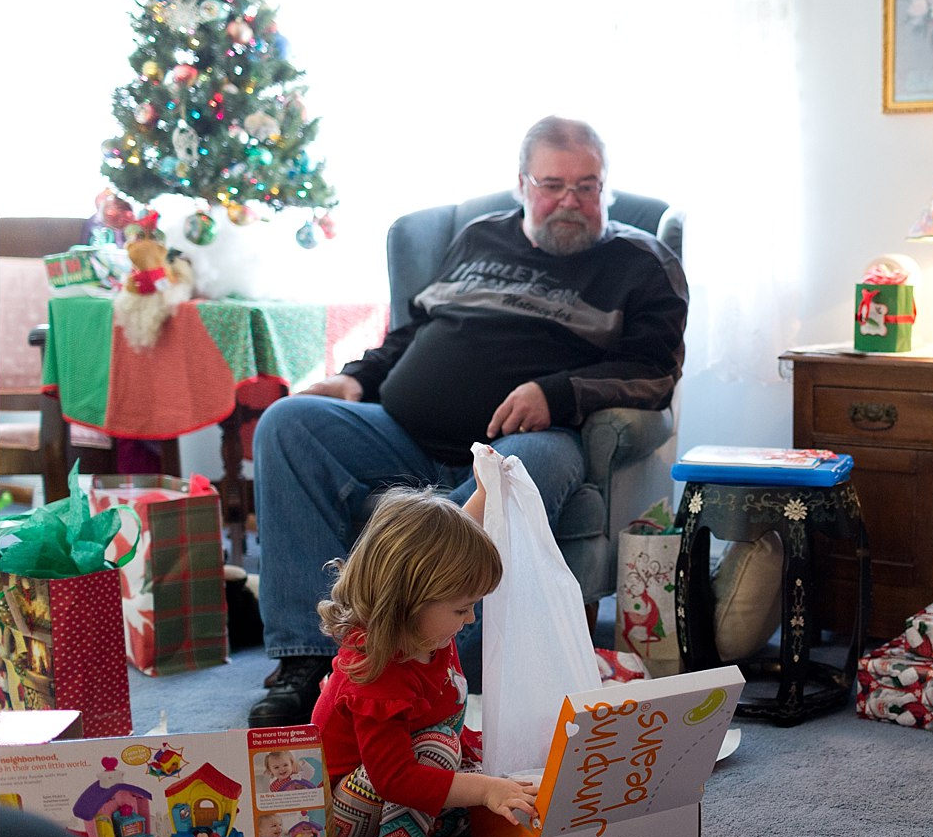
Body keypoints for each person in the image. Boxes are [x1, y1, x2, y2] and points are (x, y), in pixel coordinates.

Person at [249, 115, 688, 727]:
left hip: (530, 440)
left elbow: (656, 373)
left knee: (513, 471)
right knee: (288, 423)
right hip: (404, 434)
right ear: (522, 184)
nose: (571, 202)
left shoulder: (641, 262)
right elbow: (413, 330)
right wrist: (359, 377)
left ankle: (429, 668)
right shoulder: (481, 237)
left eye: (588, 186)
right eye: (553, 185)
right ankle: (309, 659)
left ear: (605, 187)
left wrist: (556, 393)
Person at [311, 484, 540, 837]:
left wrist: (486, 488)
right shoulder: (376, 674)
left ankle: (442, 822)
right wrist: (484, 790)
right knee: (439, 753)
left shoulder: (424, 627)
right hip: (339, 814)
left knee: (500, 777)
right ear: (407, 602)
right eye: (461, 608)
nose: (470, 618)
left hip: (383, 788)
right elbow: (394, 778)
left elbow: (452, 544)